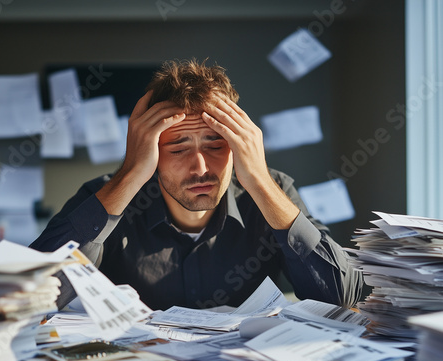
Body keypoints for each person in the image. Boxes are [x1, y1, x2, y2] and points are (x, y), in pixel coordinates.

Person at [31, 59, 363, 311]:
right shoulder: (107, 196)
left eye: (216, 145)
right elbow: (30, 296)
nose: (201, 167)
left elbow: (343, 298)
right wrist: (131, 173)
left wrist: (259, 180)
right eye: (178, 149)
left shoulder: (272, 191)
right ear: (151, 150)